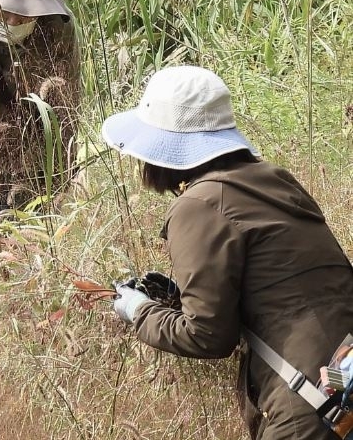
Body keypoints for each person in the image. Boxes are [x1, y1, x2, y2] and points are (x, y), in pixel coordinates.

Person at [101, 65, 353, 440]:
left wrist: (136, 309)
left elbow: (207, 336)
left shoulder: (199, 204)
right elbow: (282, 288)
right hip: (342, 380)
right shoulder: (274, 179)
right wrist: (178, 293)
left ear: (162, 149)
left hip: (307, 404)